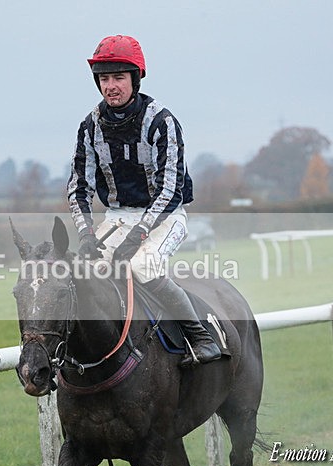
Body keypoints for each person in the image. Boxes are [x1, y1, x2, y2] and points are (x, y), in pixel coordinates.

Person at [67, 34, 223, 363]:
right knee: (85, 273)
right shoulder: (89, 126)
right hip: (116, 219)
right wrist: (85, 234)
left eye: (118, 78)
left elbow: (170, 189)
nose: (111, 86)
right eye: (104, 78)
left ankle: (200, 336)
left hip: (166, 217)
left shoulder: (162, 122)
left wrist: (140, 234)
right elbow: (79, 187)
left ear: (135, 79)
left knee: (141, 265)